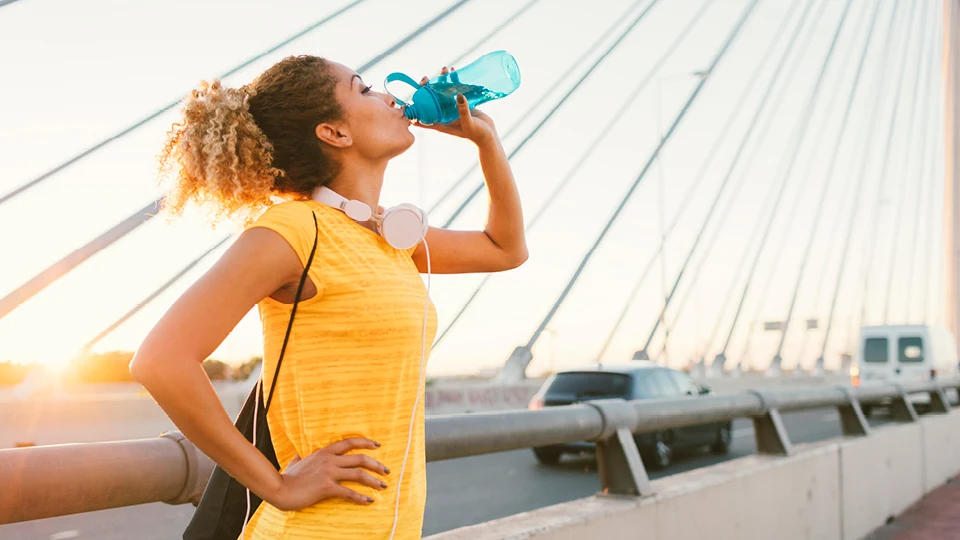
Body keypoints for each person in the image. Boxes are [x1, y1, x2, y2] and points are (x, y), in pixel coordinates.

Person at [130, 55, 527, 539]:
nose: (388, 96)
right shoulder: (293, 230)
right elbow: (160, 360)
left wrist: (486, 142)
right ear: (334, 133)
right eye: (363, 90)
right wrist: (276, 486)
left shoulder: (387, 234)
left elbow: (505, 249)